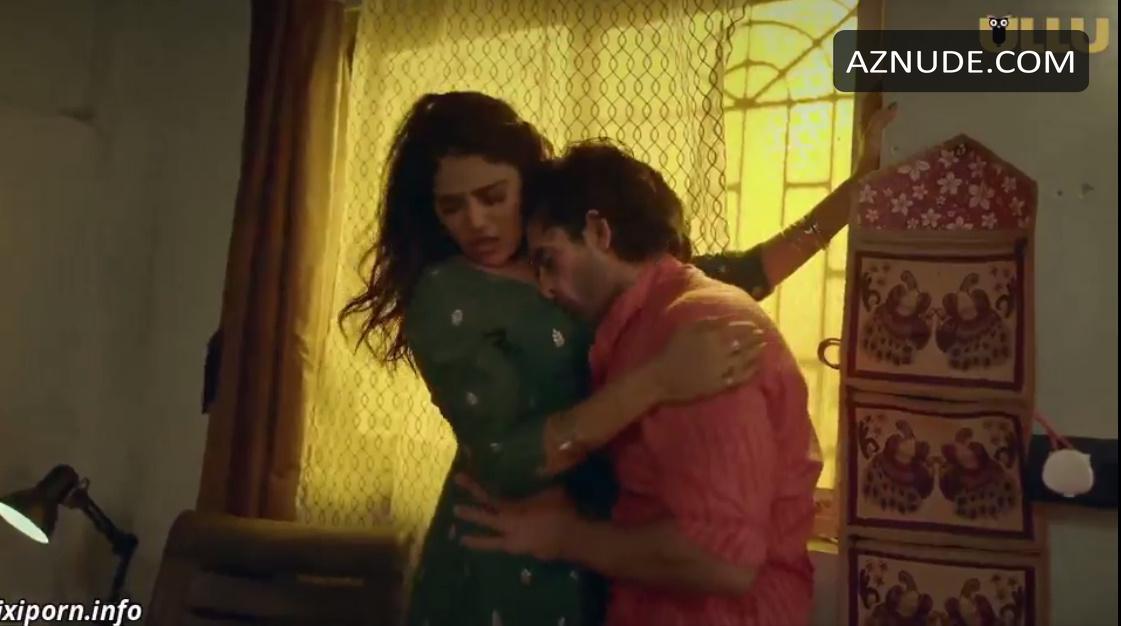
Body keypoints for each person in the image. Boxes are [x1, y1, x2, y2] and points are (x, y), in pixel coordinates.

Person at [339, 91, 895, 626]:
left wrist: (855, 192)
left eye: (493, 196)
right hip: (512, 540)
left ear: (527, 183)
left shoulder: (571, 261)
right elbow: (505, 461)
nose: (477, 222)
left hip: (607, 544)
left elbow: (736, 273)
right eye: (452, 207)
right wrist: (657, 381)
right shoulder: (448, 295)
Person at [454, 140, 820, 625]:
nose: (545, 287)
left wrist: (565, 536)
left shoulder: (696, 326)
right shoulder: (644, 324)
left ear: (599, 231)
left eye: (549, 260)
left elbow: (720, 560)